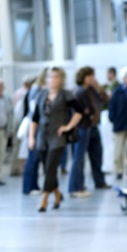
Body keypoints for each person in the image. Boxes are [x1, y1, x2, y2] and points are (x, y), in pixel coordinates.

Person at [29, 67, 83, 212]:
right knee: (48, 170)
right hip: (43, 136)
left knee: (51, 167)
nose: (53, 80)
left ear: (61, 79)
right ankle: (58, 194)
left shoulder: (66, 95)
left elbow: (79, 112)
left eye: (56, 77)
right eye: (50, 77)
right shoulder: (42, 96)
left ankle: (45, 198)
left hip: (57, 137)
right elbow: (35, 118)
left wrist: (68, 126)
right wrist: (31, 137)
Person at [69, 66, 109, 198]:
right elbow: (86, 110)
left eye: (93, 75)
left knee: (97, 154)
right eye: (89, 76)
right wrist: (91, 111)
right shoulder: (79, 92)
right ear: (83, 78)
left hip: (92, 126)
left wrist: (99, 89)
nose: (92, 78)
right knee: (79, 158)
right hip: (82, 127)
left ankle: (100, 181)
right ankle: (76, 187)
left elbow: (105, 101)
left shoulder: (92, 90)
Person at [22, 68, 48, 195]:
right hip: (35, 126)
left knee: (37, 158)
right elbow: (35, 111)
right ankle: (29, 187)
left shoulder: (40, 89)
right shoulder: (36, 90)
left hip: (41, 127)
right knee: (33, 157)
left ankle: (34, 185)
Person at [11, 75, 35, 176]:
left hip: (19, 122)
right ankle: (19, 168)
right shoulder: (25, 93)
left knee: (18, 147)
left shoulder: (18, 92)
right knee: (20, 147)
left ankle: (16, 168)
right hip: (21, 122)